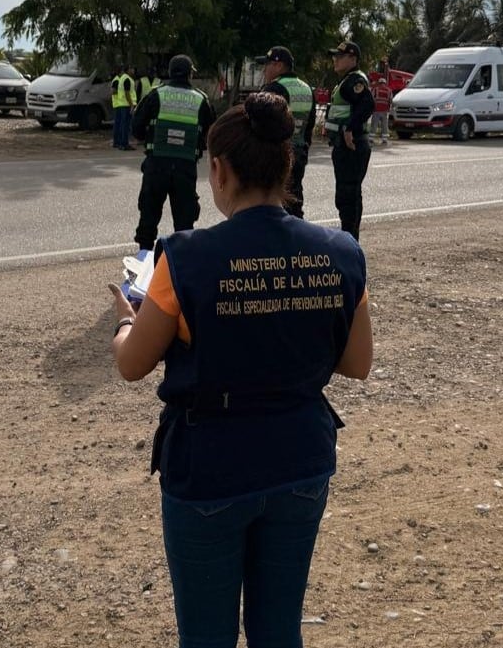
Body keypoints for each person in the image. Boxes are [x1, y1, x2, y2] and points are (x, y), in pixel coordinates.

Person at [109, 91, 373, 648]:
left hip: (211, 470)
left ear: (220, 171)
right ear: (287, 166)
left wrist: (126, 324)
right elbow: (357, 364)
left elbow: (133, 365)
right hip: (300, 461)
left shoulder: (183, 257)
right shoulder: (343, 252)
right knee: (278, 632)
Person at [130, 54, 216, 251]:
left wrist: (150, 137)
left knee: (149, 214)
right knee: (184, 222)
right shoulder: (201, 99)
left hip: (156, 165)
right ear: (189, 75)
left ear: (170, 72)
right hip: (185, 167)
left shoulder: (156, 94)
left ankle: (144, 257)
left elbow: (136, 128)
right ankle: (182, 262)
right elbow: (212, 132)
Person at [255, 46, 316, 218]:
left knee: (271, 204)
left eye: (267, 65)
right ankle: (296, 233)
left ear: (279, 65)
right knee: (294, 200)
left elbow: (261, 124)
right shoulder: (307, 89)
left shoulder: (274, 88)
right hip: (299, 152)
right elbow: (310, 125)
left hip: (276, 154)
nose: (264, 70)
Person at [326, 41, 374, 241]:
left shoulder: (354, 81)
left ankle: (350, 241)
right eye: (335, 56)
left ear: (353, 59)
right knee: (347, 195)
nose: (335, 60)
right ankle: (349, 238)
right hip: (345, 146)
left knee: (348, 197)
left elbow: (367, 104)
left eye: (340, 56)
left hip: (351, 146)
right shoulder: (346, 81)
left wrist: (349, 128)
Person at [111, 63, 137, 150]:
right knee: (125, 125)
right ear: (128, 70)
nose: (133, 70)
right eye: (131, 68)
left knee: (122, 124)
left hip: (122, 104)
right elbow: (127, 93)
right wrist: (131, 105)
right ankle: (124, 144)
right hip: (126, 104)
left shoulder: (122, 78)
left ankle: (121, 143)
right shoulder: (127, 79)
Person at [370, 73, 392, 145]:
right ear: (385, 83)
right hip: (385, 111)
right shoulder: (389, 90)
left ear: (379, 82)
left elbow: (371, 99)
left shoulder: (375, 89)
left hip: (376, 110)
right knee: (384, 125)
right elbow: (390, 100)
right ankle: (384, 140)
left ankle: (371, 139)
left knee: (374, 124)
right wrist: (388, 109)